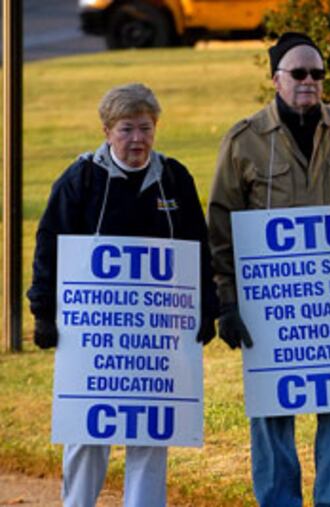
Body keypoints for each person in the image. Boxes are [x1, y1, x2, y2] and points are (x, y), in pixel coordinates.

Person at [207, 32, 330, 507]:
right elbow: (220, 227)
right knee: (272, 411)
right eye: (298, 73)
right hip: (271, 308)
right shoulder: (243, 141)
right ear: (276, 79)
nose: (309, 82)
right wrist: (226, 302)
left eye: (317, 73)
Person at [27, 83, 218, 507]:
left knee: (151, 433)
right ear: (107, 130)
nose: (137, 139)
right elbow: (49, 245)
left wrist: (207, 306)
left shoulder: (174, 178)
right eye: (127, 129)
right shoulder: (80, 180)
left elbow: (197, 245)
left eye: (146, 128)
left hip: (156, 336)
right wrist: (43, 311)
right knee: (86, 433)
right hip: (93, 338)